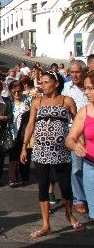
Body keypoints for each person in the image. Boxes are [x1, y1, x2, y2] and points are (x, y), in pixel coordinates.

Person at [20, 71, 84, 238]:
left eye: (46, 82)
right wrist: (24, 146)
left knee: (65, 186)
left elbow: (78, 122)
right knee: (42, 186)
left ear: (56, 83)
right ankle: (46, 224)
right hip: (40, 152)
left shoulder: (67, 101)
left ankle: (69, 214)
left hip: (62, 152)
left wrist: (80, 142)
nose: (43, 85)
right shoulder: (37, 102)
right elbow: (30, 125)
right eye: (41, 82)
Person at [66, 70, 94, 222]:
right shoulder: (84, 111)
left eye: (90, 88)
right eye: (85, 88)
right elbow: (70, 138)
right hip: (90, 167)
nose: (86, 92)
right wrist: (75, 145)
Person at [62, 60, 89, 214]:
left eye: (77, 72)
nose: (75, 75)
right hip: (75, 133)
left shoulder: (89, 87)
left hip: (90, 132)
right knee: (77, 167)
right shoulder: (66, 90)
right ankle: (79, 199)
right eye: (72, 72)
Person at [7, 80, 32, 186]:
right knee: (13, 155)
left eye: (19, 91)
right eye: (14, 91)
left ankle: (24, 177)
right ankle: (12, 178)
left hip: (26, 131)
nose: (17, 93)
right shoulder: (8, 102)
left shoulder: (28, 100)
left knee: (26, 154)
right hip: (13, 132)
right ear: (11, 91)